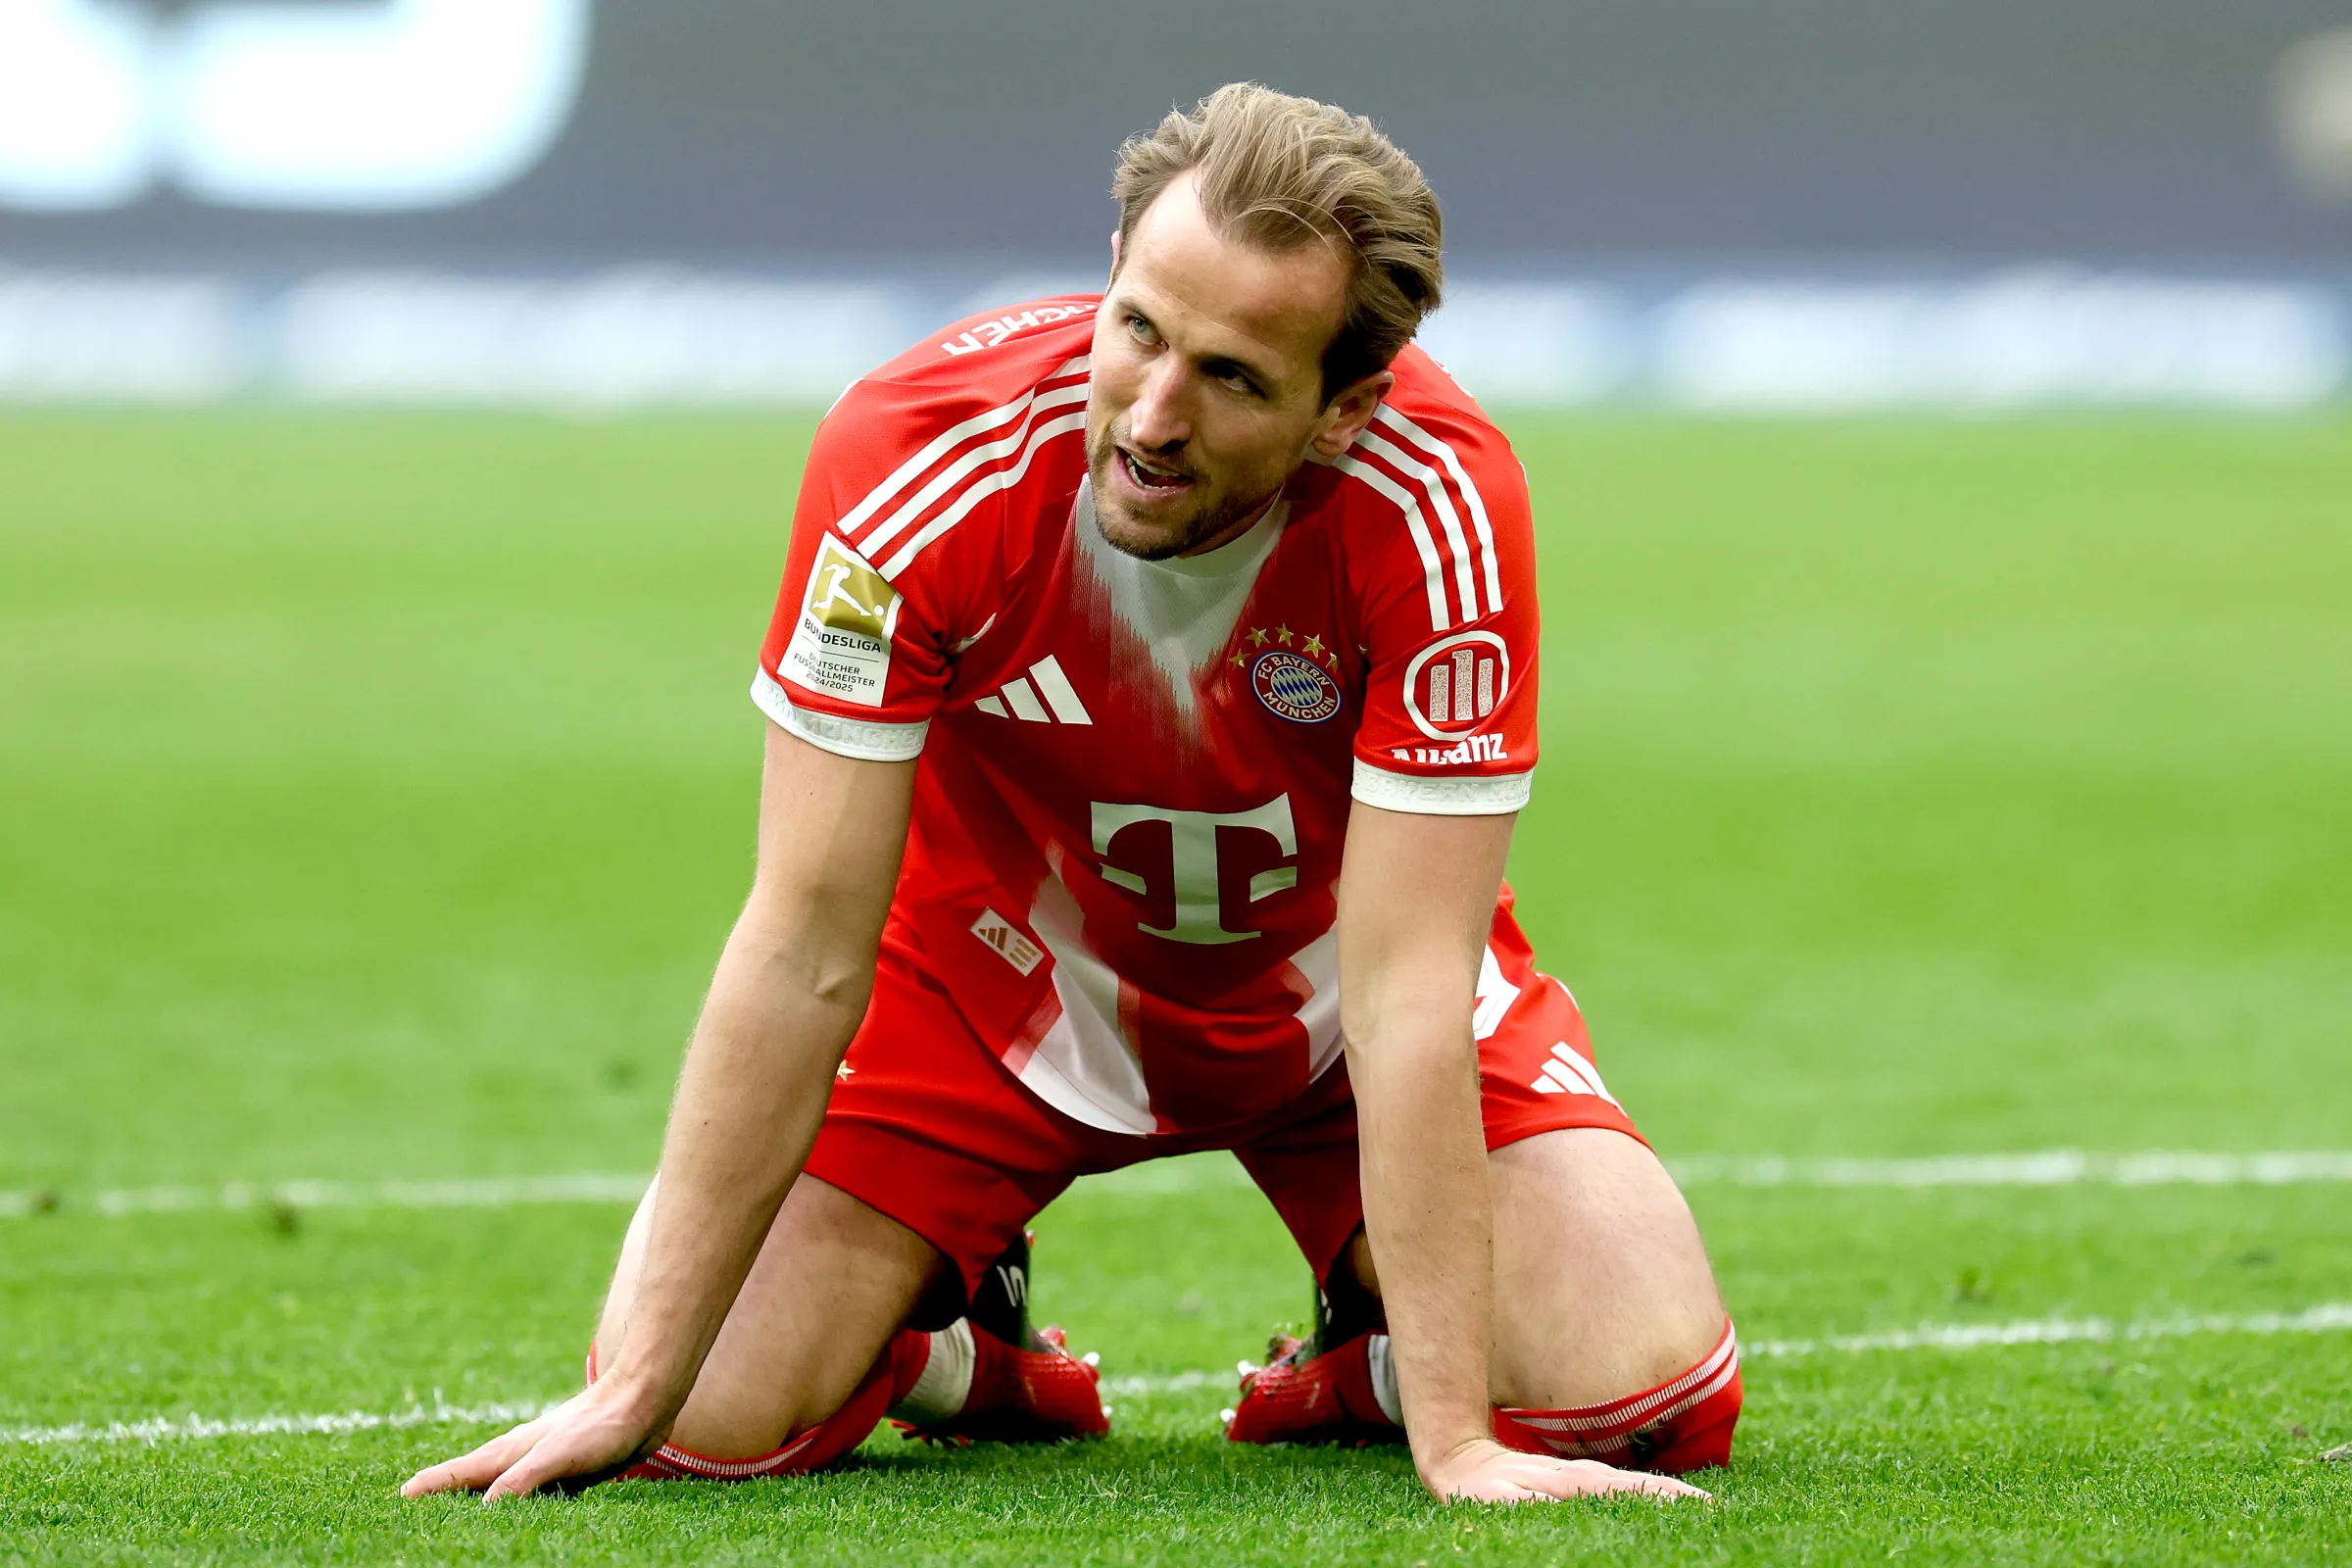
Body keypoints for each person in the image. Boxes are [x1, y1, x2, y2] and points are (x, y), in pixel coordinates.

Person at [403, 82, 1737, 1508]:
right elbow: (802, 945)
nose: (1153, 417)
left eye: (1233, 378)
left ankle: (1369, 1352)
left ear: (1346, 408)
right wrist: (633, 1392)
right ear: (1108, 271)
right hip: (978, 992)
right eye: (1138, 328)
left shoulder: (1439, 508)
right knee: (693, 1419)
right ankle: (957, 1333)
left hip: (1332, 1014)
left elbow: (1411, 988)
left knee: (1641, 1397)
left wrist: (1458, 1440)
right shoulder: (915, 459)